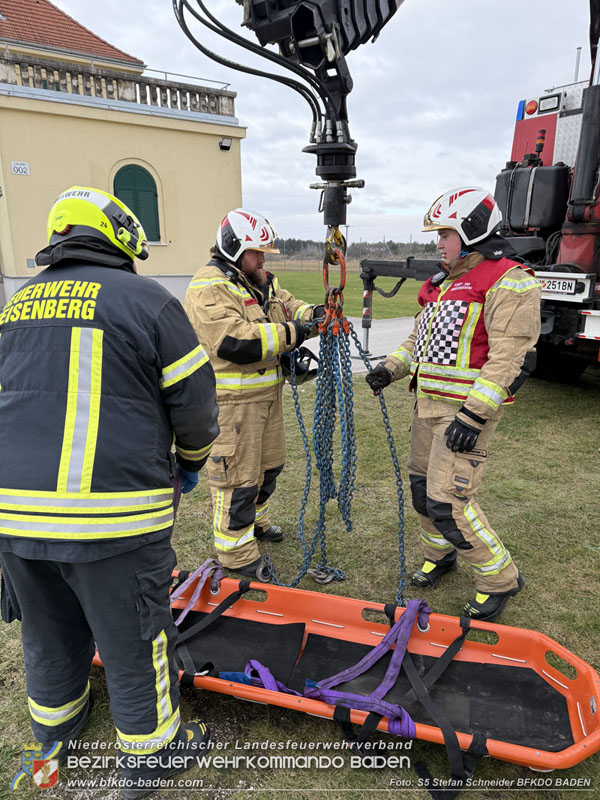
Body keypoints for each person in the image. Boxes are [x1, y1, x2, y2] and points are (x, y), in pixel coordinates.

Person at [0, 187, 219, 797]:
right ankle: (153, 757)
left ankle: (56, 730)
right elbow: (197, 406)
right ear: (119, 236)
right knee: (134, 635)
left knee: (45, 627)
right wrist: (191, 464)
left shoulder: (14, 305)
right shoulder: (147, 300)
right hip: (112, 518)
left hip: (14, 516)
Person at [366, 187, 541, 622]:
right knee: (423, 493)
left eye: (445, 234)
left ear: (473, 231)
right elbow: (418, 342)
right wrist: (390, 368)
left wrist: (474, 413)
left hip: (464, 415)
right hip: (427, 408)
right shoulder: (439, 284)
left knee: (449, 501)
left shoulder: (509, 279)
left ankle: (499, 578)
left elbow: (511, 355)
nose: (438, 243)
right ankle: (440, 555)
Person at [184, 208, 323, 581]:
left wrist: (318, 313)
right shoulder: (208, 286)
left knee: (269, 468)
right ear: (234, 248)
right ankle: (237, 556)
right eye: (257, 252)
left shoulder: (260, 280)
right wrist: (297, 332)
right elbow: (235, 341)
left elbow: (292, 306)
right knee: (236, 482)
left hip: (267, 400)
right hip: (232, 408)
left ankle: (256, 523)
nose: (263, 259)